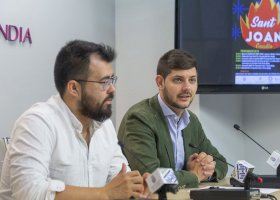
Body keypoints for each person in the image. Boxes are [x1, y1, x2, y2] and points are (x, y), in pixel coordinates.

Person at [0, 40, 147, 200]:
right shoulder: (36, 122)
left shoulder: (104, 126)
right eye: (104, 82)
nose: (112, 89)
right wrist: (105, 193)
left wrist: (136, 191)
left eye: (112, 80)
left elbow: (118, 177)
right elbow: (29, 192)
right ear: (74, 88)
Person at [118, 49, 228, 188]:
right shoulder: (139, 118)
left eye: (192, 80)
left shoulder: (191, 121)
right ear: (160, 82)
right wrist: (193, 175)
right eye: (178, 80)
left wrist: (207, 169)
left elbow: (221, 163)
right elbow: (152, 177)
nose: (187, 88)